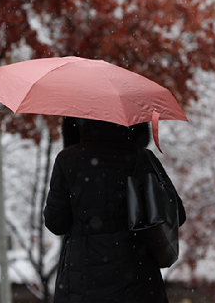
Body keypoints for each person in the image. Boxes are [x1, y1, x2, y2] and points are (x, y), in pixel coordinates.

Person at [43, 117, 186, 303]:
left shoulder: (68, 160)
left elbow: (56, 223)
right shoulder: (140, 157)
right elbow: (177, 215)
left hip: (82, 281)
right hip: (137, 279)